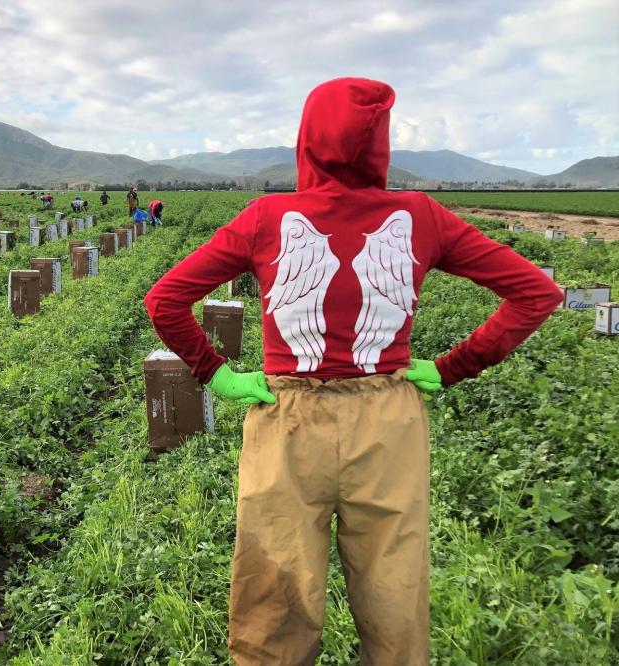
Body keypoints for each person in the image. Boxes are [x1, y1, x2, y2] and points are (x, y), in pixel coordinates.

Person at [143, 77, 562, 666]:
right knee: (394, 595)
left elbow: (165, 299)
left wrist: (218, 375)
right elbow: (536, 292)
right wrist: (453, 366)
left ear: (307, 141)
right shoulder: (420, 217)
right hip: (389, 422)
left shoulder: (268, 217)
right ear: (380, 145)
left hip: (286, 421)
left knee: (274, 596)